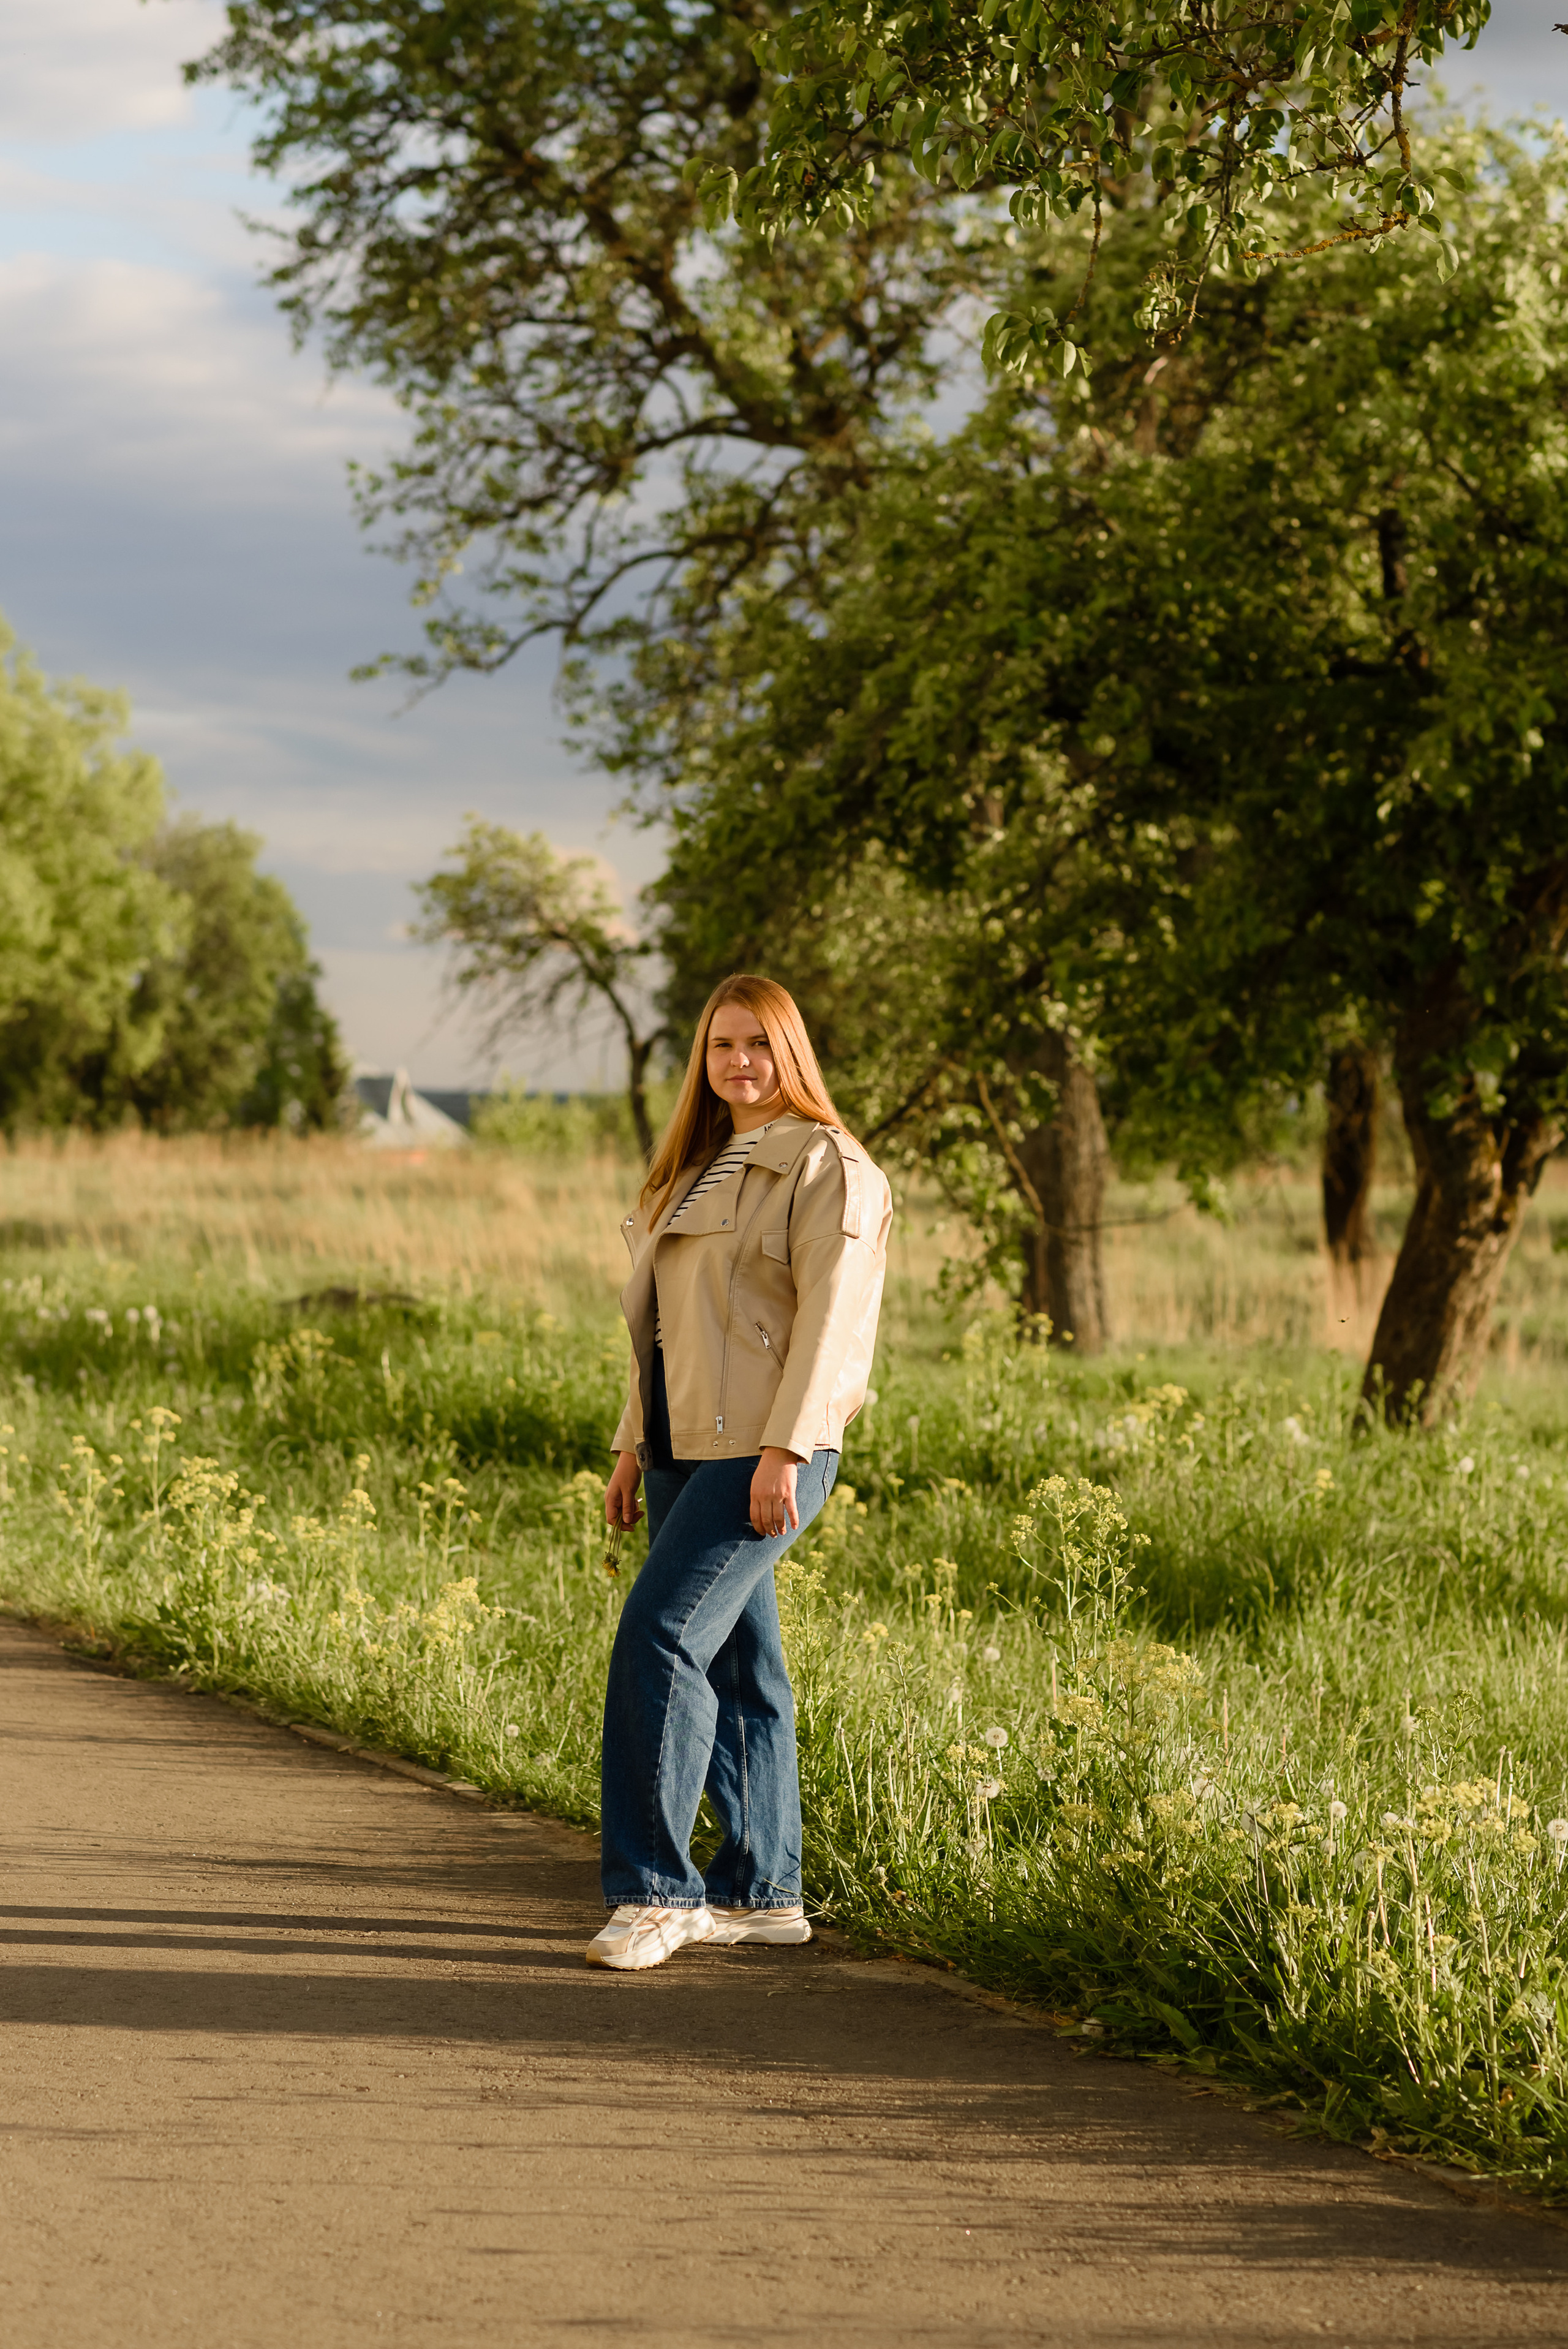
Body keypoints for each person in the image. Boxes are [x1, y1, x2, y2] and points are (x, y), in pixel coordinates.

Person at [589, 974, 892, 1971]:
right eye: (723, 1045)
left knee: (661, 1633)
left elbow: (831, 1325)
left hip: (769, 1447)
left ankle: (657, 1894)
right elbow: (668, 1331)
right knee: (735, 1662)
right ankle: (765, 1891)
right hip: (686, 1442)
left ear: (791, 1052)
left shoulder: (828, 1165)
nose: (740, 1062)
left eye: (759, 1044)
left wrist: (788, 1451)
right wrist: (634, 1441)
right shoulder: (699, 1166)